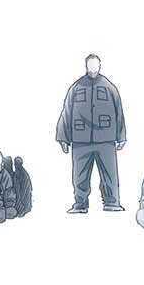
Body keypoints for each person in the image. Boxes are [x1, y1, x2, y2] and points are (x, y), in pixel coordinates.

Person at [56, 53, 127, 213]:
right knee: (79, 175)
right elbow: (66, 112)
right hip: (80, 140)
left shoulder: (110, 87)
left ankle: (112, 203)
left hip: (106, 139)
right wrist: (63, 138)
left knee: (110, 174)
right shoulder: (76, 88)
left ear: (100, 66)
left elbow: (119, 112)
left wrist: (121, 136)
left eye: (96, 64)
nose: (93, 68)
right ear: (86, 66)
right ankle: (80, 204)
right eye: (90, 65)